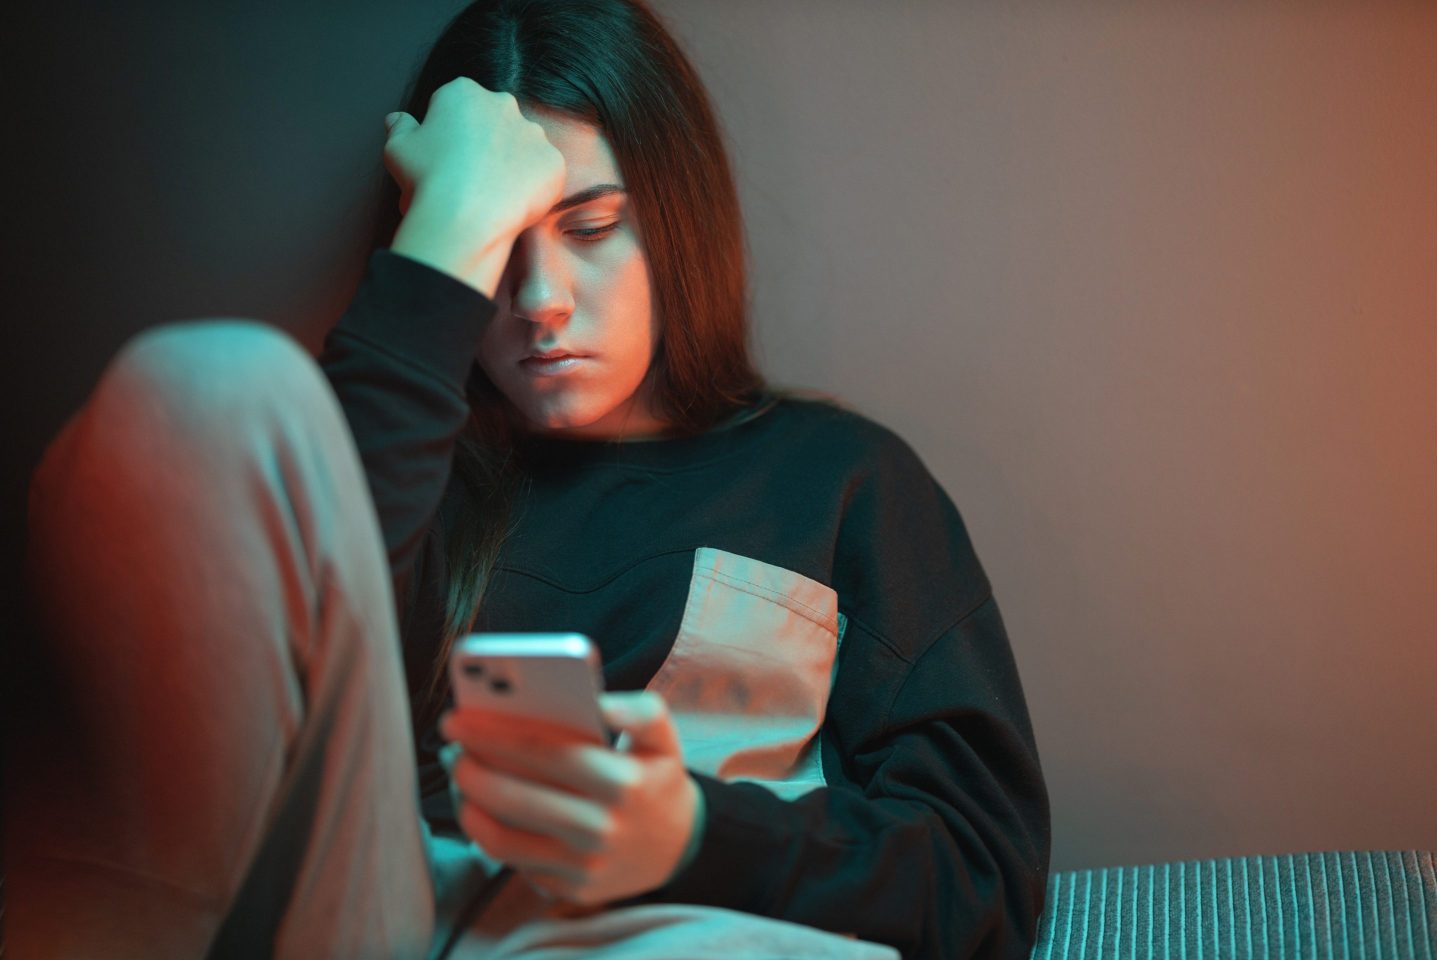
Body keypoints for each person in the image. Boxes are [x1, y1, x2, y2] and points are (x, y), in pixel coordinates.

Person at [5, 1, 1051, 957]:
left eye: (592, 228)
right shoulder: (408, 474)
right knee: (199, 386)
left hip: (684, 928)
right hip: (378, 919)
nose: (542, 299)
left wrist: (691, 832)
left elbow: (982, 874)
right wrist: (449, 228)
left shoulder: (839, 482)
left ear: (677, 220)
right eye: (502, 243)